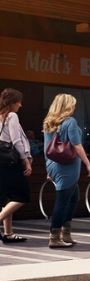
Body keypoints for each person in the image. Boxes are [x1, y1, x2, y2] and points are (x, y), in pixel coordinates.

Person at [42, 93, 90, 249]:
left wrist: (49, 170)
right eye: (73, 104)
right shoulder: (70, 121)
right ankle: (55, 236)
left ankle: (65, 233)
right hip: (67, 167)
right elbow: (77, 146)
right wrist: (88, 164)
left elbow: (47, 149)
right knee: (63, 201)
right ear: (67, 106)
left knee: (73, 198)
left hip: (54, 165)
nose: (74, 107)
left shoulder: (49, 122)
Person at [0, 88, 32, 244]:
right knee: (22, 196)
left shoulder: (0, 116)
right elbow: (16, 140)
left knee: (9, 197)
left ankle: (8, 233)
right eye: (19, 101)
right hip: (11, 161)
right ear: (13, 102)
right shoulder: (12, 116)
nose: (21, 104)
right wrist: (25, 159)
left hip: (2, 161)